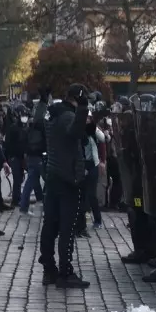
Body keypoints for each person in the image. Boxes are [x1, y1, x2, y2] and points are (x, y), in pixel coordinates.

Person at [39, 84, 108, 289]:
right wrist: (84, 108)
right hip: (68, 178)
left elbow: (37, 123)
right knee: (66, 228)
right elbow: (75, 133)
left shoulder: (51, 114)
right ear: (78, 98)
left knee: (49, 226)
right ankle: (65, 272)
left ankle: (49, 270)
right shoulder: (68, 116)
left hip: (53, 175)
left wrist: (43, 101)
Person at [20, 92, 48, 215]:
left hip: (32, 155)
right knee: (41, 180)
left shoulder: (33, 123)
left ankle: (26, 205)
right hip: (38, 155)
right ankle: (26, 207)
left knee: (32, 180)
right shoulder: (41, 122)